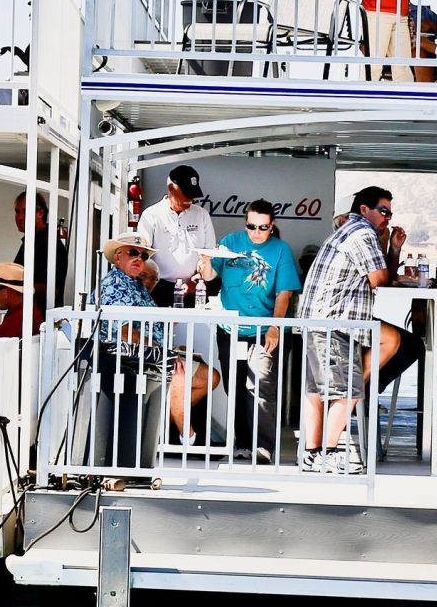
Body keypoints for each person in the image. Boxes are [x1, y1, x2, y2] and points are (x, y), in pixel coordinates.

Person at [296, 186, 396, 473]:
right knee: (348, 391)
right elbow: (378, 278)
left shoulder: (345, 230)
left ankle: (312, 455)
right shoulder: (363, 233)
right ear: (364, 209)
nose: (387, 217)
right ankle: (330, 454)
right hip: (337, 322)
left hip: (315, 320)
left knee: (315, 391)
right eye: (384, 211)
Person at [92, 233, 215, 452]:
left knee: (208, 376)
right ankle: (185, 435)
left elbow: (149, 322)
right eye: (133, 253)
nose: (139, 258)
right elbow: (127, 332)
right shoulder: (115, 285)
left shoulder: (134, 284)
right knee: (181, 371)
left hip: (143, 353)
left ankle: (157, 427)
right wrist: (163, 352)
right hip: (127, 357)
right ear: (118, 257)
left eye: (142, 254)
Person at [211, 200, 303, 461]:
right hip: (230, 328)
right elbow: (208, 275)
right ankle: (241, 444)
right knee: (236, 386)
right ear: (245, 223)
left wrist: (275, 326)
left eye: (263, 227)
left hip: (264, 330)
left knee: (261, 385)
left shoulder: (281, 249)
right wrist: (205, 259)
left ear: (271, 226)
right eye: (251, 226)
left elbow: (284, 293)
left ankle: (263, 448)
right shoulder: (230, 241)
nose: (256, 232)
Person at [135, 163, 217, 306]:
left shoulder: (202, 215)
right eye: (186, 193)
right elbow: (142, 254)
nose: (189, 199)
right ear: (171, 189)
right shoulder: (151, 215)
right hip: (158, 288)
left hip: (193, 289)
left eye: (193, 194)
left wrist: (196, 281)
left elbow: (207, 255)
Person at [14, 191, 68, 307]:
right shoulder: (30, 241)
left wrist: (13, 283)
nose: (19, 217)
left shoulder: (51, 245)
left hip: (43, 319)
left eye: (25, 212)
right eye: (17, 212)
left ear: (40, 213)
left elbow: (52, 290)